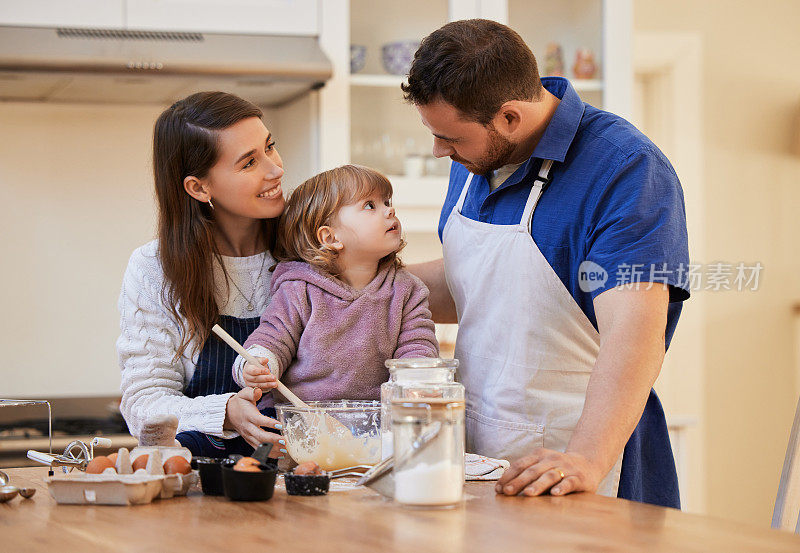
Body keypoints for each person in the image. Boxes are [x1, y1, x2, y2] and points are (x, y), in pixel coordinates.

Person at [403, 19, 690, 508]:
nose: (439, 150)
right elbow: (472, 286)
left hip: (575, 464)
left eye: (451, 138)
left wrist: (585, 459)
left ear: (510, 118)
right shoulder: (476, 163)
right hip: (478, 451)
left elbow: (635, 332)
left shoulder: (626, 169)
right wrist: (346, 288)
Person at [117, 91, 287, 459]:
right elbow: (143, 403)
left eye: (270, 147)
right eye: (249, 163)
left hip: (303, 476)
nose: (276, 170)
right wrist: (225, 411)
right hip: (201, 488)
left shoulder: (307, 249)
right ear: (199, 187)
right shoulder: (155, 268)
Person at [232, 164, 439, 408]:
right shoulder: (299, 288)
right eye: (370, 206)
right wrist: (258, 362)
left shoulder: (407, 290)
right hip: (303, 419)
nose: (389, 210)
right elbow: (274, 336)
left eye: (386, 201)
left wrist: (416, 380)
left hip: (375, 420)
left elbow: (417, 344)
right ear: (330, 238)